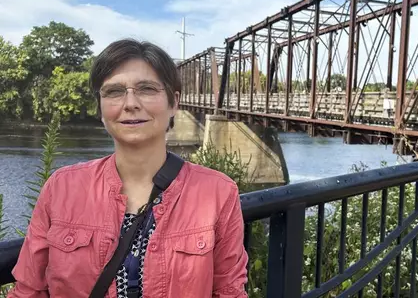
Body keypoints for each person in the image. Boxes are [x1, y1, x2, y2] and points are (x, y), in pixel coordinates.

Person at [9, 39, 249, 297]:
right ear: (100, 107)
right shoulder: (61, 188)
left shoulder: (218, 193)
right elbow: (29, 291)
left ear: (174, 102)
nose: (130, 103)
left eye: (146, 89)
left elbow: (229, 292)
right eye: (113, 91)